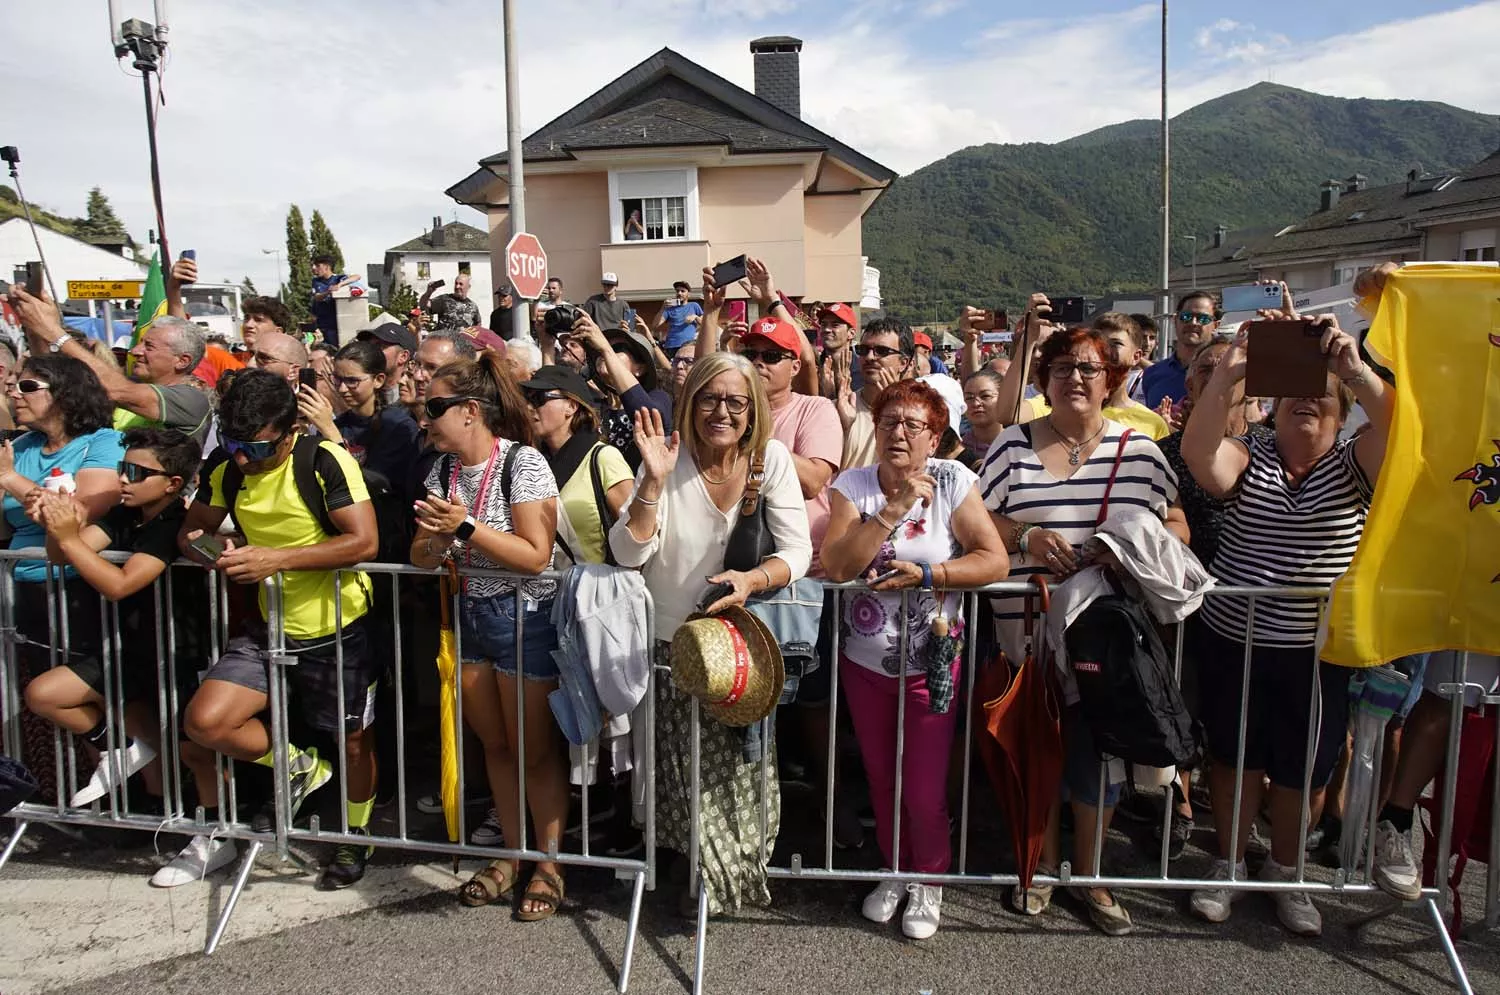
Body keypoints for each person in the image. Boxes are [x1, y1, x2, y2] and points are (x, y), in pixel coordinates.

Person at [1181, 312, 1393, 937]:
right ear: (1272, 407)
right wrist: (1233, 368)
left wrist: (1356, 368)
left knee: (1305, 762)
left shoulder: (1358, 463)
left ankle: (1286, 870)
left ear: (1342, 407)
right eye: (1295, 391)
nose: (1307, 399)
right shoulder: (1254, 454)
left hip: (1315, 646)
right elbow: (1199, 452)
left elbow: (1407, 430)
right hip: (1236, 636)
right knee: (1233, 754)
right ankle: (1226, 864)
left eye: (1322, 392)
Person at [978, 324, 1187, 935]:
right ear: (1042, 379)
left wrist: (1125, 552)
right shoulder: (1011, 447)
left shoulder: (1141, 451)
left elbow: (1177, 528)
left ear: (1111, 380)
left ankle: (1091, 874)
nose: (1075, 377)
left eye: (1090, 368)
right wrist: (1026, 537)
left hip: (1106, 632)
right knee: (1039, 743)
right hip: (1028, 627)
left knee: (1101, 751)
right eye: (1063, 366)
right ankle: (1039, 867)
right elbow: (980, 518)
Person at [609, 351, 812, 917]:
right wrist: (651, 480)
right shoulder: (667, 458)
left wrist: (751, 579)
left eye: (735, 401)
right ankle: (696, 868)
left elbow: (798, 551)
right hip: (672, 644)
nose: (721, 411)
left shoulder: (768, 460)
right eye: (709, 398)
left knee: (737, 771)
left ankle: (723, 876)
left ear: (753, 410)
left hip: (742, 648)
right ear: (690, 400)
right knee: (679, 769)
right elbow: (628, 552)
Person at [178, 369, 381, 890]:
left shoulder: (325, 460)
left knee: (354, 743)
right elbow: (191, 533)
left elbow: (363, 542)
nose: (244, 457)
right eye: (233, 443)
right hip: (266, 626)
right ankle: (297, 765)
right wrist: (212, 551)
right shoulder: (228, 467)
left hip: (338, 627)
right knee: (206, 721)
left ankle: (356, 836)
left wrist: (277, 559)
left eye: (258, 447)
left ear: (291, 431)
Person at [821, 380, 1009, 939]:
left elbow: (993, 560)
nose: (898, 433)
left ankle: (929, 879)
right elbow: (837, 565)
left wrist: (933, 574)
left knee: (924, 787)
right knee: (881, 778)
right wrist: (892, 510)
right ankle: (894, 868)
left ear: (935, 436)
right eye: (888, 423)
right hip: (865, 661)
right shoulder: (852, 486)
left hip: (933, 660)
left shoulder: (954, 480)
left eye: (913, 425)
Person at [408, 352, 567, 921]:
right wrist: (436, 544)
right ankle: (512, 854)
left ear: (470, 411)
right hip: (472, 618)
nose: (423, 416)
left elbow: (535, 556)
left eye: (434, 406)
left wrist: (465, 527)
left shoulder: (522, 464)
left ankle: (547, 863)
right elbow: (420, 555)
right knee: (496, 747)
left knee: (534, 750)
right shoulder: (440, 473)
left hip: (525, 620)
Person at [25, 429, 219, 882]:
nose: (123, 479)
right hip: (127, 646)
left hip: (178, 650)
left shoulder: (175, 523)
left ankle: (213, 833)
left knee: (194, 750)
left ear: (172, 483)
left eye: (137, 472)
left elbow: (120, 584)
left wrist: (70, 538)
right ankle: (124, 760)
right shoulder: (122, 514)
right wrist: (62, 526)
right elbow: (61, 556)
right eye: (121, 469)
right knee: (45, 694)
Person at [1, 355, 125, 804]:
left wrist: (10, 479)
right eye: (13, 385)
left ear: (66, 394)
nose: (15, 392)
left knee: (85, 693)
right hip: (27, 592)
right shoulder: (22, 445)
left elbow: (80, 511)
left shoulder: (101, 442)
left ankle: (139, 789)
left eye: (27, 385)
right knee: (54, 698)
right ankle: (109, 797)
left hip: (79, 589)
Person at [11, 288, 211, 447]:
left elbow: (115, 389)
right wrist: (34, 325)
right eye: (139, 343)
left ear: (182, 361)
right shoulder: (129, 384)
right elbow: (52, 378)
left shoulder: (191, 399)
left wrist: (53, 330)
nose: (135, 351)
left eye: (148, 346)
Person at [522, 365, 632, 567]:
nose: (530, 407)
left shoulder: (604, 458)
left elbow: (635, 534)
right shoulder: (532, 461)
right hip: (549, 593)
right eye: (527, 399)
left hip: (596, 591)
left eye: (539, 398)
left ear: (571, 407)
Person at [297, 339, 422, 491]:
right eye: (337, 379)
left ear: (378, 380)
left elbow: (379, 486)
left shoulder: (397, 425)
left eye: (352, 381)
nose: (342, 389)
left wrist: (331, 433)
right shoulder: (340, 424)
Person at [569, 313, 673, 473]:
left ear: (640, 368)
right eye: (600, 351)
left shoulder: (659, 396)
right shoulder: (591, 402)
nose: (604, 354)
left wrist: (605, 348)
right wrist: (547, 346)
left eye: (616, 349)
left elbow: (647, 417)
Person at [837, 317, 914, 471]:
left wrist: (894, 406)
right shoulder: (841, 407)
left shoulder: (919, 414)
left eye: (881, 351)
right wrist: (844, 429)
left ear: (903, 363)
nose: (870, 357)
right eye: (863, 350)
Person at [1142, 291, 1218, 410]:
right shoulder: (1151, 374)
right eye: (1186, 317)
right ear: (1175, 320)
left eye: (1203, 319)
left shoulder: (1224, 372)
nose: (1193, 323)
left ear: (1215, 325)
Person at [816, 303, 858, 400]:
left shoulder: (863, 370)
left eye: (835, 325)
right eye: (823, 324)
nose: (826, 329)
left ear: (851, 333)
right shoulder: (814, 368)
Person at [310, 255, 355, 345]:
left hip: (335, 325)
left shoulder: (338, 278)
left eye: (318, 266)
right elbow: (317, 297)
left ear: (327, 267)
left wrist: (340, 285)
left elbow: (357, 277)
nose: (314, 268)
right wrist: (328, 292)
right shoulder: (316, 281)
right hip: (322, 325)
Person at [652, 280, 703, 358]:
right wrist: (662, 308)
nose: (679, 293)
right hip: (671, 346)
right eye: (677, 291)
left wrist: (695, 317)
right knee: (671, 368)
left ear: (688, 294)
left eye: (683, 291)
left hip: (688, 346)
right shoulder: (669, 309)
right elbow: (655, 325)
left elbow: (704, 323)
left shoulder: (694, 306)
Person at [960, 369, 1005, 455]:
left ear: (1003, 397)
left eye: (985, 396)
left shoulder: (1019, 445)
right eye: (969, 398)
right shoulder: (957, 450)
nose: (976, 403)